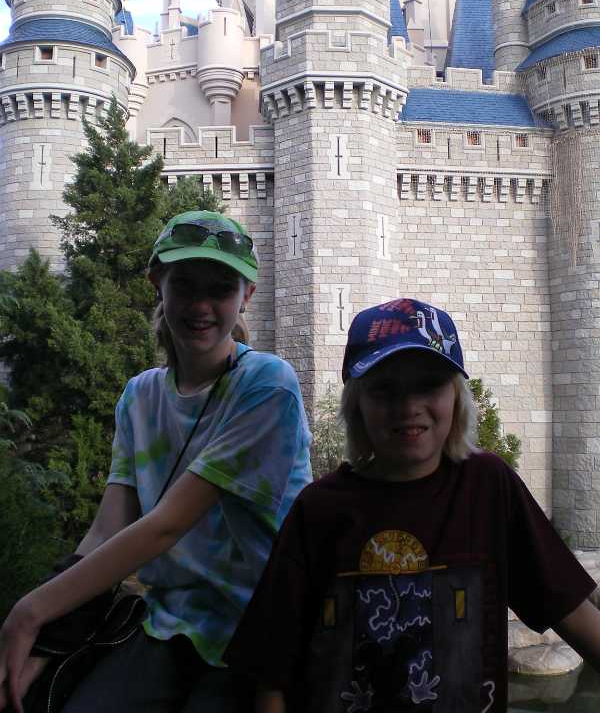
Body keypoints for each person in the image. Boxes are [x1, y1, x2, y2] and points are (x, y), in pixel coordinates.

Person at [0, 210, 312, 713]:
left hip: (258, 628)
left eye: (221, 288)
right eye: (185, 284)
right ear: (157, 285)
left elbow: (166, 526)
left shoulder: (267, 385)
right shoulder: (139, 397)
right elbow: (105, 534)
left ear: (246, 296)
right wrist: (47, 642)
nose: (201, 305)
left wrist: (29, 611)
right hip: (168, 623)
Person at [225, 298, 600, 713]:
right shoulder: (318, 510)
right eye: (384, 388)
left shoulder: (488, 486)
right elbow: (272, 676)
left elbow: (572, 612)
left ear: (456, 397)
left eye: (428, 384)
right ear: (357, 405)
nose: (408, 406)